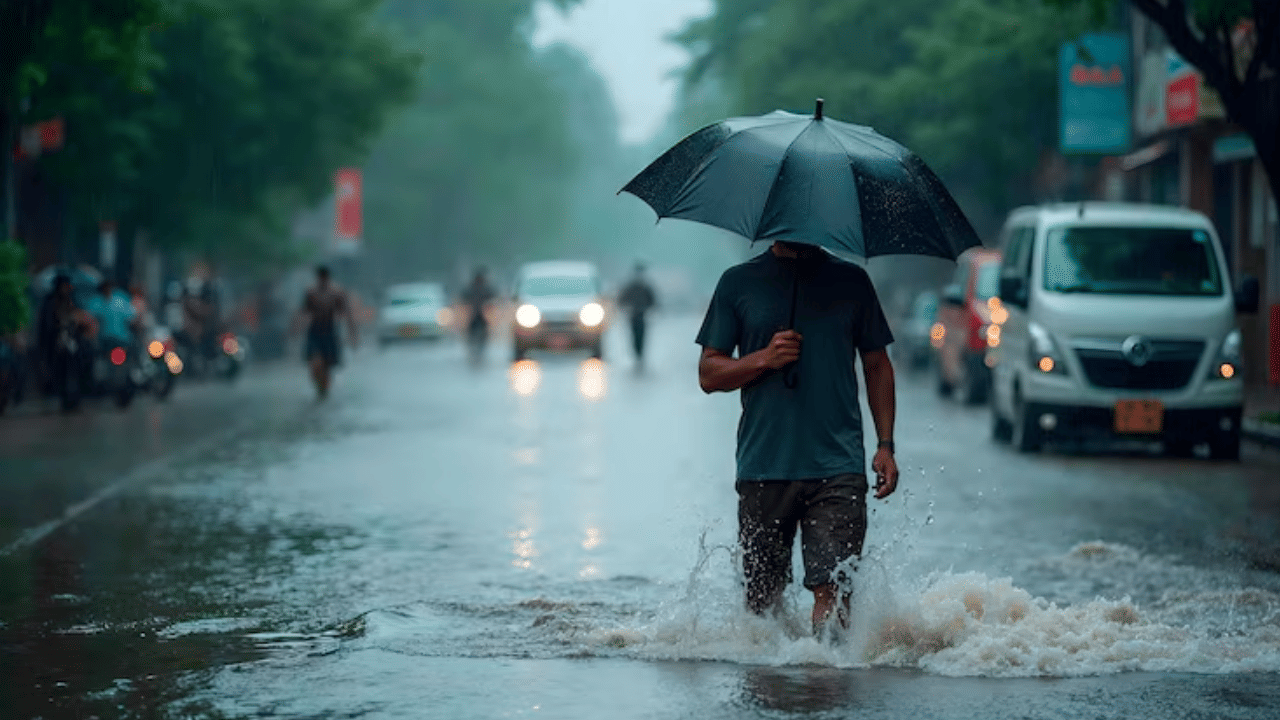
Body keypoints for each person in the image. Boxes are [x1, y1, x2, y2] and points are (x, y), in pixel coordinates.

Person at [695, 239, 900, 635]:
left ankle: (826, 683)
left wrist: (886, 445)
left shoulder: (852, 281)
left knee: (834, 589)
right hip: (763, 465)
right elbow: (708, 374)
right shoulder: (737, 282)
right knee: (762, 600)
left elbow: (877, 363)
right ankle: (775, 686)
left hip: (838, 465)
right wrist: (764, 358)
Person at [296, 265, 358, 399]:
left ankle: (323, 391)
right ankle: (319, 385)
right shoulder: (311, 292)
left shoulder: (337, 292)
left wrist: (352, 334)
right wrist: (296, 329)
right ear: (318, 278)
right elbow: (303, 312)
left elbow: (347, 314)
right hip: (314, 331)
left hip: (330, 331)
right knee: (315, 363)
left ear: (327, 278)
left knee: (327, 366)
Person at [617, 262, 658, 365]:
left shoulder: (645, 288)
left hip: (642, 315)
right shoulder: (631, 287)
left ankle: (639, 355)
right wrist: (628, 308)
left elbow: (653, 301)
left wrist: (647, 308)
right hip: (633, 316)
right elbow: (621, 300)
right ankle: (637, 354)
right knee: (634, 336)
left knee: (641, 336)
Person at [85, 280, 139, 351]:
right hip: (108, 339)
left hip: (119, 340)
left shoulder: (119, 301)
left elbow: (133, 316)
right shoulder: (97, 302)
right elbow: (89, 317)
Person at [460, 268, 496, 360]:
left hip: (480, 315)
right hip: (475, 315)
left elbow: (492, 295)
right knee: (473, 332)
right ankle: (474, 347)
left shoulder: (479, 287)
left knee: (483, 332)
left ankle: (477, 348)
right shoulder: (477, 288)